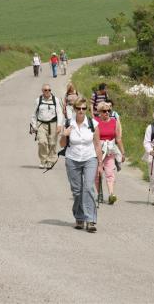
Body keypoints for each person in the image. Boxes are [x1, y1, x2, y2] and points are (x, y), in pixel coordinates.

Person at [60, 97, 103, 233]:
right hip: (72, 159)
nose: (81, 111)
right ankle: (79, 216)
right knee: (77, 191)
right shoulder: (68, 123)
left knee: (89, 187)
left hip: (90, 158)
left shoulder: (93, 124)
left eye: (84, 108)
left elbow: (97, 144)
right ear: (74, 109)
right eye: (78, 108)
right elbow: (62, 144)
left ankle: (90, 220)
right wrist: (64, 134)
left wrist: (100, 164)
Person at [93, 101, 125, 205]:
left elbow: (118, 138)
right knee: (98, 174)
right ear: (99, 112)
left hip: (110, 150)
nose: (107, 112)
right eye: (104, 111)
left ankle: (111, 194)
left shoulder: (114, 122)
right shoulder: (95, 121)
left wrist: (122, 152)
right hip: (97, 151)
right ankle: (100, 194)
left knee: (110, 172)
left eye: (108, 111)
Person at [30, 84, 64, 169]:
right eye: (45, 90)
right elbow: (34, 114)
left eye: (49, 90)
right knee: (42, 142)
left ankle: (50, 161)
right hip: (41, 124)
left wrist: (59, 125)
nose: (47, 92)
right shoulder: (38, 100)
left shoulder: (55, 100)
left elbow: (60, 113)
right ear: (42, 91)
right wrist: (34, 125)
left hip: (53, 124)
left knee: (52, 143)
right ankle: (43, 160)